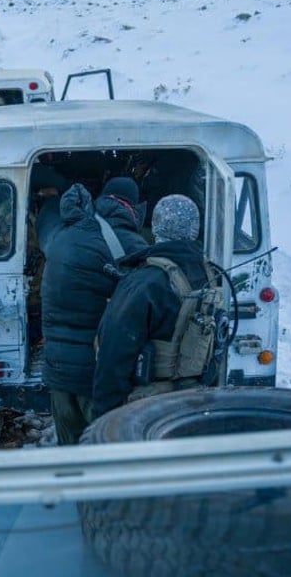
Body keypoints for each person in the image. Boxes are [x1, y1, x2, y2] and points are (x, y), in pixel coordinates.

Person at [35, 177, 147, 445]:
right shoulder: (131, 246)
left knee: (70, 449)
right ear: (133, 208)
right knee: (102, 449)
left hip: (58, 370)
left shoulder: (63, 235)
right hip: (96, 374)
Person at [91, 194, 213, 420]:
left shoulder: (146, 282)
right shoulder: (209, 272)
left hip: (149, 408)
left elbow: (114, 355)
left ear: (155, 226)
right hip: (194, 400)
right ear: (195, 228)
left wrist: (103, 417)